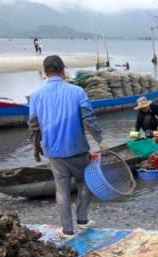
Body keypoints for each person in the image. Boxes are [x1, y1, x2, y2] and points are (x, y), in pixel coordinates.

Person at [28, 55, 106, 237]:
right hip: (77, 149)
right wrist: (100, 141)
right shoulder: (77, 91)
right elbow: (89, 119)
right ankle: (82, 219)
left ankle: (68, 229)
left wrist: (35, 147)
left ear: (45, 73)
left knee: (61, 190)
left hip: (53, 152)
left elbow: (33, 124)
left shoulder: (35, 96)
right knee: (85, 182)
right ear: (63, 70)